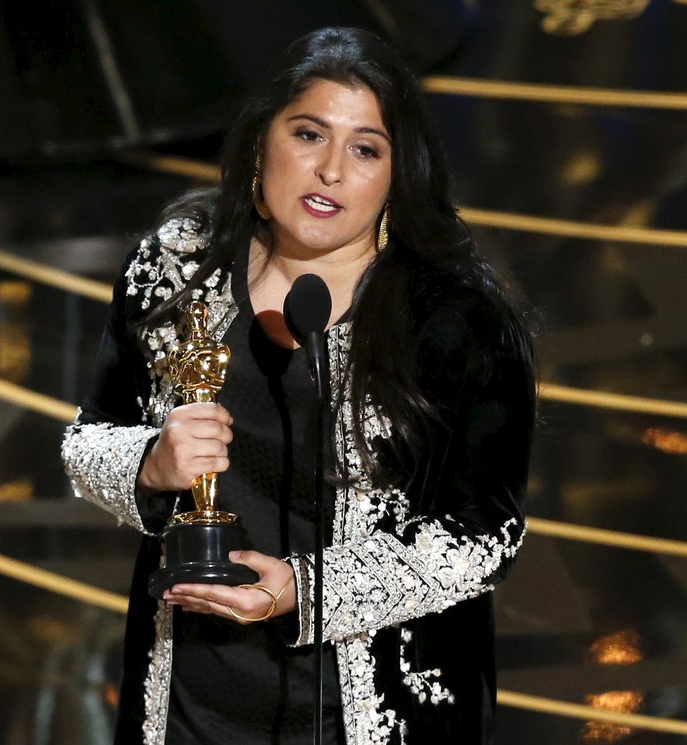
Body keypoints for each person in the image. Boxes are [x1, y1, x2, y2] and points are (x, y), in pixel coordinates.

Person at [62, 26, 536, 745]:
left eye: (365, 148)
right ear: (262, 143)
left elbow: (483, 535)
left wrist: (302, 589)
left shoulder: (457, 319)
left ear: (397, 173)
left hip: (374, 716)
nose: (331, 171)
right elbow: (87, 440)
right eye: (309, 134)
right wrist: (149, 464)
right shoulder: (177, 263)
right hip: (189, 701)